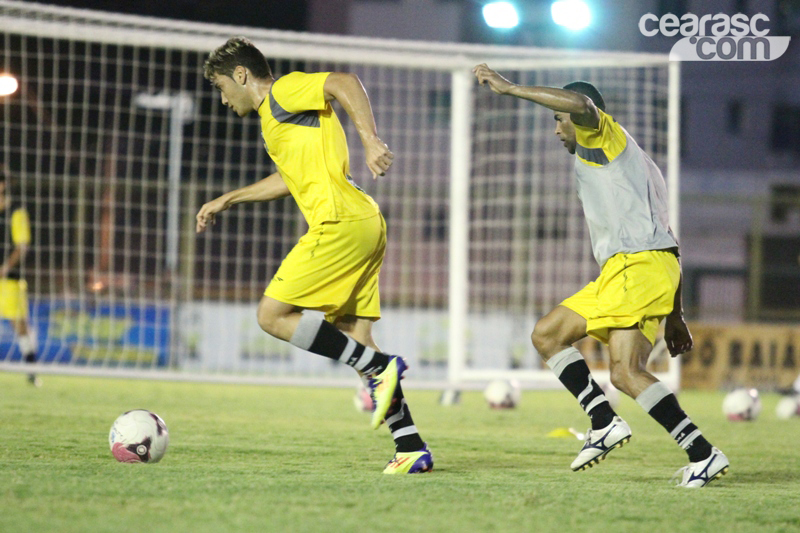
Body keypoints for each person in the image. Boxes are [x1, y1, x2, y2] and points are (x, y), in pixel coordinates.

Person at [473, 64, 728, 487]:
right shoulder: (638, 163)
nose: (557, 130)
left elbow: (581, 103)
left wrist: (511, 88)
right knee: (596, 358)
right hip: (644, 268)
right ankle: (694, 450)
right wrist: (676, 313)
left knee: (576, 348)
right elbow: (668, 237)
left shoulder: (602, 134)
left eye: (559, 121)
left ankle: (613, 424)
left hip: (635, 266)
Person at [197, 37, 432, 474]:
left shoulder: (283, 92)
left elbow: (344, 82)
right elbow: (288, 179)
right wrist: (229, 198)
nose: (223, 98)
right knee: (355, 339)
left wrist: (370, 139)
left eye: (221, 86)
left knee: (271, 316)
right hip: (364, 222)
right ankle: (410, 445)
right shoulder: (275, 120)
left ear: (243, 75)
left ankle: (380, 368)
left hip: (340, 223)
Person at [0, 168, 39, 386]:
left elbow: (22, 245)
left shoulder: (16, 212)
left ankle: (32, 371)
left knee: (19, 324)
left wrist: (5, 267)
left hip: (10, 280)